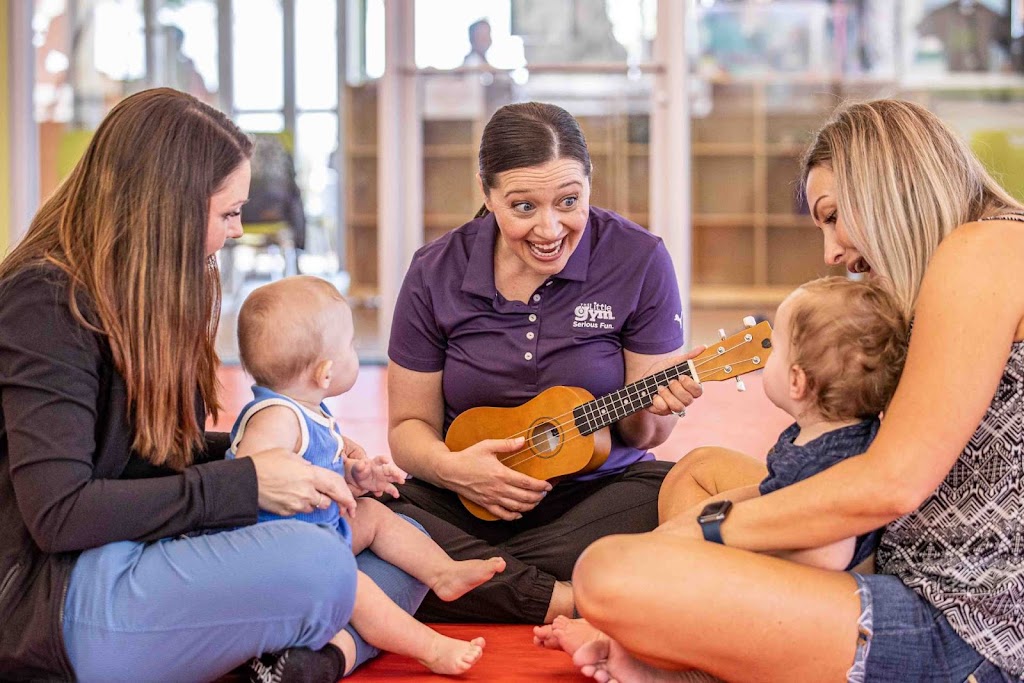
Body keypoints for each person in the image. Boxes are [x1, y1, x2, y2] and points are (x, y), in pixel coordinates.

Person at [552, 98, 1024, 682]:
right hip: (885, 560)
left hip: (955, 628)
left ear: (883, 187)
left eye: (831, 215)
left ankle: (695, 652)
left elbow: (892, 484)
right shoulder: (960, 260)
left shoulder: (985, 250)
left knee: (607, 574)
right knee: (698, 470)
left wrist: (701, 534)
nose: (831, 253)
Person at [0, 88, 427, 683]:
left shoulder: (154, 294)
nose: (237, 230)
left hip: (138, 549)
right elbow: (60, 512)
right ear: (166, 207)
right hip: (65, 595)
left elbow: (146, 461)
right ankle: (322, 648)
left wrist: (297, 456)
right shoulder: (43, 301)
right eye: (228, 212)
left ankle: (318, 659)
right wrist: (248, 481)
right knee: (321, 565)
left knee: (401, 534)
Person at [385, 101, 704, 625]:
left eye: (569, 201)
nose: (550, 229)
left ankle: (454, 580)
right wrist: (453, 469)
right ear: (486, 195)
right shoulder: (434, 270)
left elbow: (645, 436)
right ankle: (568, 596)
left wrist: (661, 406)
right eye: (523, 207)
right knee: (366, 514)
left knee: (676, 497)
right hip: (464, 497)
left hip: (593, 499)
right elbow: (407, 427)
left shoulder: (638, 258)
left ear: (589, 186)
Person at [534, 275, 908, 656]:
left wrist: (721, 539)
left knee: (607, 570)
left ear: (797, 382)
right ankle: (658, 614)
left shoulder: (824, 456)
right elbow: (774, 494)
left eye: (774, 347)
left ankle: (650, 634)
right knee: (696, 470)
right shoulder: (824, 435)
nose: (765, 356)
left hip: (805, 610)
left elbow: (827, 554)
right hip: (789, 583)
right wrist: (700, 524)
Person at [229, 275, 506, 676]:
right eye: (352, 347)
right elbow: (254, 472)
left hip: (319, 535)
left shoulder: (307, 410)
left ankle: (443, 573)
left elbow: (314, 467)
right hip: (285, 558)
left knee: (376, 516)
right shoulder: (276, 416)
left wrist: (353, 474)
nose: (356, 352)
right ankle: (429, 647)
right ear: (325, 373)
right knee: (357, 588)